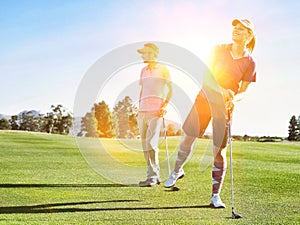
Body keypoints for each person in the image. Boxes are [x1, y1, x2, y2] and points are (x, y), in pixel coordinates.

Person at [164, 19, 257, 208]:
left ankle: (215, 196)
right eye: (234, 28)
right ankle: (176, 171)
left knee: (219, 150)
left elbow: (245, 90)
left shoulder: (250, 62)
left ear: (249, 36)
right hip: (204, 98)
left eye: (241, 29)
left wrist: (234, 99)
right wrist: (221, 90)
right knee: (189, 137)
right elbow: (206, 75)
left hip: (225, 106)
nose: (236, 31)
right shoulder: (218, 49)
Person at [137, 43, 173, 187]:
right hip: (142, 111)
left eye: (144, 53)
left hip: (155, 111)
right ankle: (153, 175)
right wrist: (139, 106)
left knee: (151, 144)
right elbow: (143, 89)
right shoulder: (143, 70)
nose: (142, 56)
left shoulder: (163, 69)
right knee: (145, 145)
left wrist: (164, 105)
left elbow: (171, 89)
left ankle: (152, 177)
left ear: (152, 53)